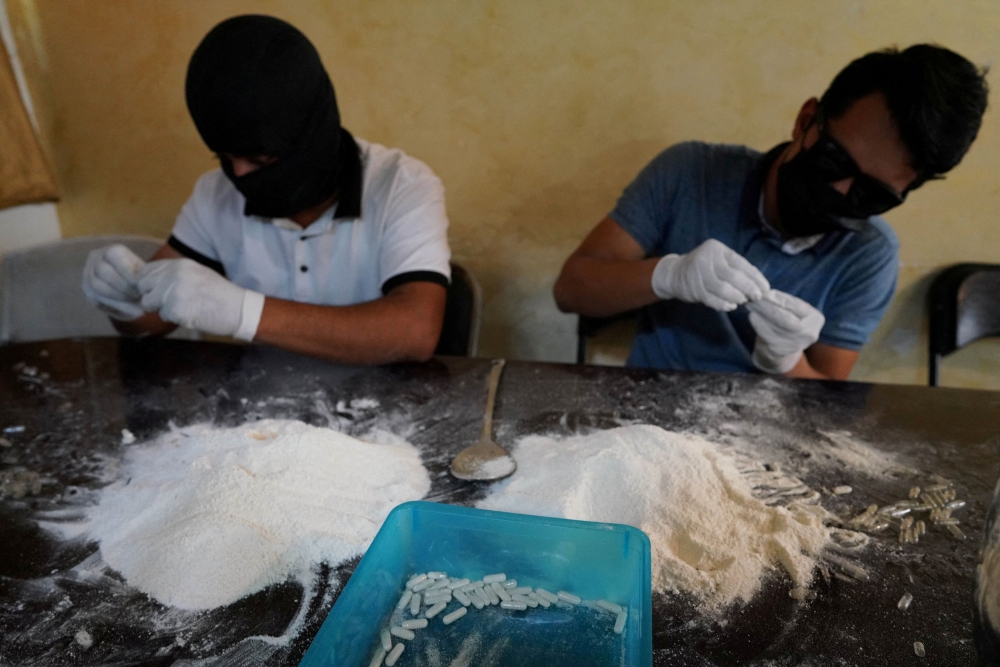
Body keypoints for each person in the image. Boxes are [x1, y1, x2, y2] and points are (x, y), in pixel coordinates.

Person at [554, 44, 988, 380]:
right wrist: (665, 275)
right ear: (806, 120)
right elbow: (571, 290)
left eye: (871, 196)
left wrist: (784, 359)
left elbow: (823, 397)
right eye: (834, 160)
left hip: (769, 443)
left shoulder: (868, 254)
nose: (838, 191)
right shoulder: (692, 173)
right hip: (646, 414)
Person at [81, 15, 451, 364]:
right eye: (224, 156)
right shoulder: (216, 194)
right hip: (262, 414)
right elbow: (149, 323)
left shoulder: (403, 186)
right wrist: (122, 299)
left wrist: (243, 312)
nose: (239, 174)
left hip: (382, 413)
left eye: (259, 161)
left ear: (311, 137)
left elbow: (415, 331)